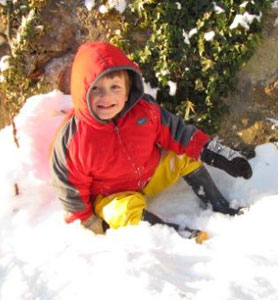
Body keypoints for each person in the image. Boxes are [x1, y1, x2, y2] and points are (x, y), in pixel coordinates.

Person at [50, 42, 252, 236]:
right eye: (96, 89)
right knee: (124, 212)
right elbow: (70, 188)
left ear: (128, 89)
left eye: (115, 87)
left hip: (150, 176)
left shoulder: (145, 111)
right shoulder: (74, 140)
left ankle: (219, 205)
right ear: (81, 92)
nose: (107, 97)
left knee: (183, 155)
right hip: (113, 196)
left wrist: (216, 155)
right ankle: (169, 234)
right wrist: (88, 221)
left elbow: (179, 134)